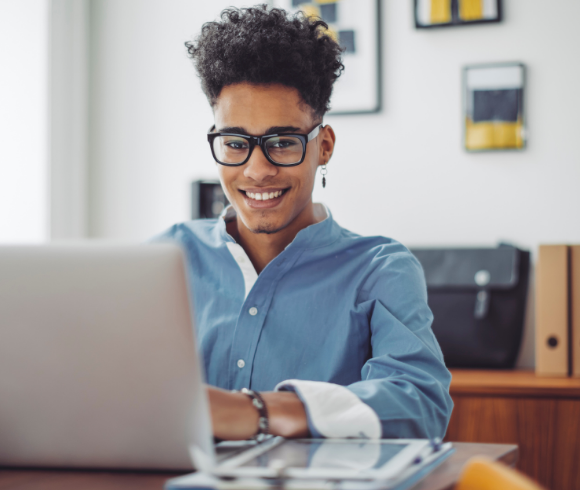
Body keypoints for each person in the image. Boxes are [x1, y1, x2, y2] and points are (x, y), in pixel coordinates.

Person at [156, 5, 453, 441]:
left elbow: (420, 403)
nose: (257, 170)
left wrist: (256, 411)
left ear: (324, 145)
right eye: (235, 143)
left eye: (282, 142)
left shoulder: (380, 268)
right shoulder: (163, 259)